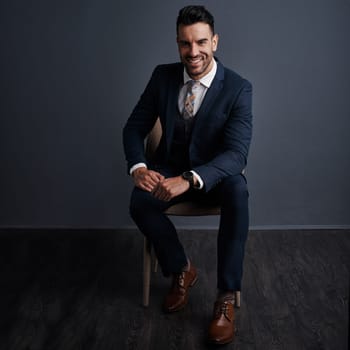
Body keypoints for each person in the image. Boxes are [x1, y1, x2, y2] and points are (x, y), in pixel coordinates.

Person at [123, 5, 252, 345]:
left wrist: (191, 178)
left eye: (201, 42)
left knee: (239, 191)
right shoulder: (162, 76)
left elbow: (237, 154)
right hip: (167, 170)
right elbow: (134, 127)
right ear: (178, 43)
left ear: (215, 41)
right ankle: (181, 268)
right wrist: (138, 167)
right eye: (184, 43)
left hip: (214, 179)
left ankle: (225, 297)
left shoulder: (239, 88)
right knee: (139, 202)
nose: (193, 52)